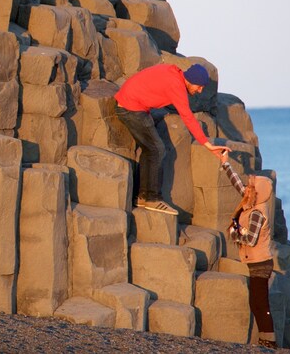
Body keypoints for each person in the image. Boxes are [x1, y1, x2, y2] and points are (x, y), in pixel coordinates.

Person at [114, 63, 230, 215]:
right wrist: (207, 144)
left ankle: (142, 196)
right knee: (158, 150)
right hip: (130, 108)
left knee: (150, 149)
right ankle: (152, 198)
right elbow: (188, 117)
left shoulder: (173, 71)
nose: (200, 91)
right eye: (199, 86)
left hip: (132, 103)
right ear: (190, 80)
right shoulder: (177, 86)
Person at [220, 151, 278, 349]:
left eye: (252, 186)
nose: (247, 188)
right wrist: (225, 164)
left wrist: (234, 232)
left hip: (261, 263)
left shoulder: (257, 213)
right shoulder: (251, 201)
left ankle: (269, 342)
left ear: (259, 191)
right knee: (257, 303)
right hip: (256, 262)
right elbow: (238, 185)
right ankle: (266, 340)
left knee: (260, 304)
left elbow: (251, 240)